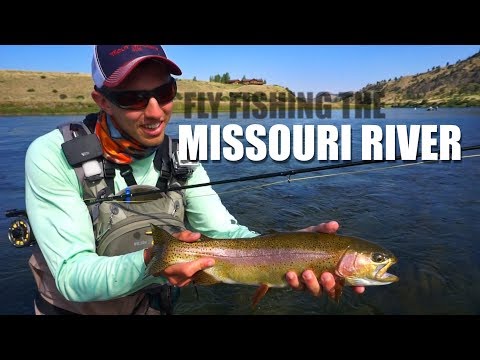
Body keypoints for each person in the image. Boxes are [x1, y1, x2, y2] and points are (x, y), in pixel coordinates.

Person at [25, 45, 365, 315]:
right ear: (103, 101)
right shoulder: (52, 155)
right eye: (133, 98)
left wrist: (288, 248)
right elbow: (72, 277)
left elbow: (225, 235)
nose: (156, 112)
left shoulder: (182, 156)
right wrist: (154, 260)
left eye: (165, 91)